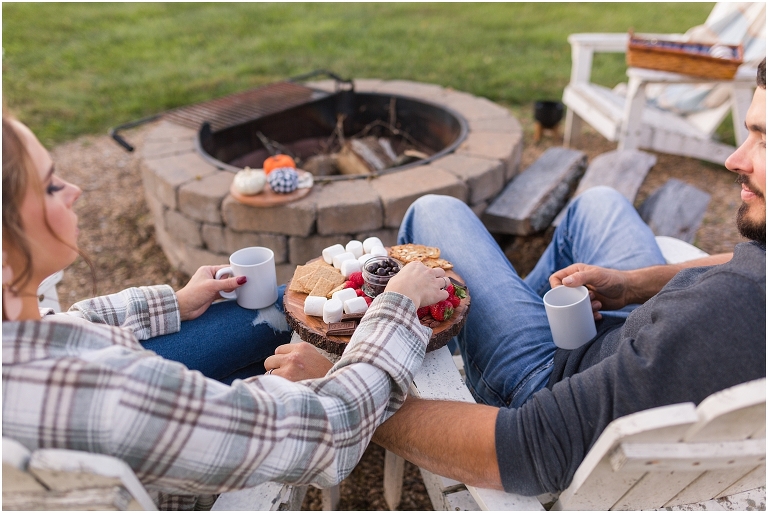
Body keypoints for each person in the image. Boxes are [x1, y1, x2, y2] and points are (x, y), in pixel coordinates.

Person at [1, 112, 451, 509]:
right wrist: (397, 307)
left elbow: (60, 324)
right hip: (183, 469)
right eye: (50, 185)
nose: (75, 191)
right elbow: (330, 430)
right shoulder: (114, 395)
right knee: (299, 324)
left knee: (281, 306)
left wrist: (172, 303)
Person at [369, 57, 766, 494]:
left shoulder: (724, 316)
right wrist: (631, 284)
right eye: (748, 132)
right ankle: (515, 313)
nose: (734, 159)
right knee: (598, 202)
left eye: (764, 140)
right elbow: (741, 259)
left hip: (551, 381)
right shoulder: (740, 294)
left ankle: (505, 333)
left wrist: (359, 403)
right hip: (638, 330)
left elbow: (526, 447)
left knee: (436, 211)